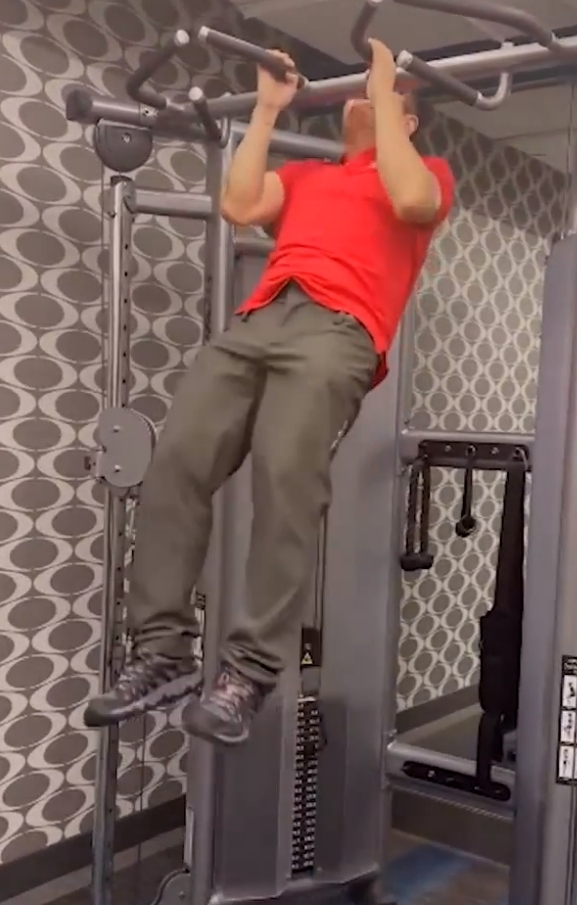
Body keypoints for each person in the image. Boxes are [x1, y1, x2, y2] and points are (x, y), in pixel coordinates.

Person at [84, 38, 455, 745]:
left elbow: (412, 197)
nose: (363, 98)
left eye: (383, 98)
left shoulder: (425, 173)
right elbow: (239, 202)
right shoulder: (309, 176)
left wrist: (387, 89)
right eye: (363, 93)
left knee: (285, 478)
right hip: (260, 319)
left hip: (338, 331)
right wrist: (266, 109)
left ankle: (249, 672)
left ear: (406, 120)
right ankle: (163, 653)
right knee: (176, 463)